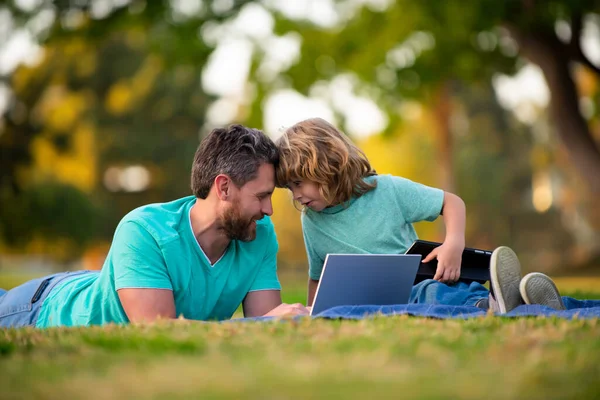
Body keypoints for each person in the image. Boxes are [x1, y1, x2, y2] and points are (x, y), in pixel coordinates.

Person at [0, 124, 309, 328]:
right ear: (224, 188)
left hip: (112, 281)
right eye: (262, 196)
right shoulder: (144, 229)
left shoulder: (260, 236)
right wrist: (261, 323)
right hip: (41, 309)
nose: (268, 210)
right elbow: (158, 328)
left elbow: (268, 322)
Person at [274, 117, 583, 314]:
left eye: (299, 183)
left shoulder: (388, 190)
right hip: (371, 302)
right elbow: (319, 276)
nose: (296, 195)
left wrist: (453, 244)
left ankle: (494, 303)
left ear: (327, 167)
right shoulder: (311, 220)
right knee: (420, 302)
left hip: (417, 282)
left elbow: (452, 203)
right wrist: (316, 311)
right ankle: (508, 304)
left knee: (433, 291)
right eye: (289, 187)